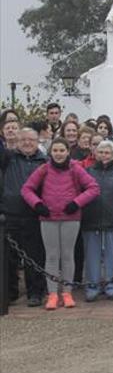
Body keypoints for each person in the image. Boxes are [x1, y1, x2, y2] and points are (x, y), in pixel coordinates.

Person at [21, 138, 100, 310]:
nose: (58, 154)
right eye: (55, 150)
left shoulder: (75, 169)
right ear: (51, 153)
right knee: (51, 256)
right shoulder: (43, 169)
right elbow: (26, 189)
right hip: (48, 218)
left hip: (70, 217)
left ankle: (67, 292)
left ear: (67, 152)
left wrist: (77, 202)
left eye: (61, 150)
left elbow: (93, 188)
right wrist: (37, 204)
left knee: (67, 255)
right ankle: (52, 294)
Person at [0, 128, 48, 306]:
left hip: (33, 215)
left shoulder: (44, 161)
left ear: (37, 142)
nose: (27, 143)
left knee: (34, 256)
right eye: (24, 139)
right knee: (9, 259)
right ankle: (9, 292)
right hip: (10, 214)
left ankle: (35, 292)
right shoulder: (8, 158)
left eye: (31, 140)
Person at [81, 140, 113, 301]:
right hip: (91, 220)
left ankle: (112, 286)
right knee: (92, 256)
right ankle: (92, 287)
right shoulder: (87, 172)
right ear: (96, 153)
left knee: (112, 256)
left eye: (107, 152)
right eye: (101, 152)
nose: (104, 155)